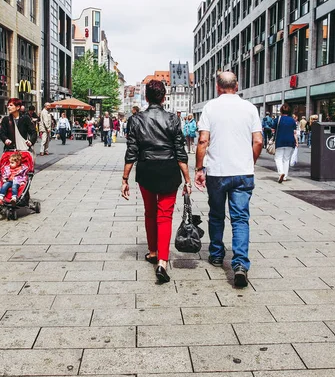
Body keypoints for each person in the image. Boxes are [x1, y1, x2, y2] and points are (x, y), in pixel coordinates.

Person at [194, 72, 263, 288]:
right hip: (243, 172)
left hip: (217, 171)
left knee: (216, 215)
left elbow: (203, 140)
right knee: (240, 218)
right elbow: (258, 141)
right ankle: (240, 264)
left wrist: (198, 168)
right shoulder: (250, 108)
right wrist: (248, 161)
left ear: (217, 87)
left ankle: (216, 253)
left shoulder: (210, 107)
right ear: (237, 86)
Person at [122, 79, 191, 284]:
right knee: (165, 215)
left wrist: (125, 178)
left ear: (146, 97)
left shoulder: (136, 119)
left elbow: (131, 151)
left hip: (146, 170)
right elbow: (180, 150)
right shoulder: (172, 119)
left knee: (150, 212)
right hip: (169, 170)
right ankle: (162, 261)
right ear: (164, 98)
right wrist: (187, 178)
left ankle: (152, 251)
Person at [273, 103, 299, 183]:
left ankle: (281, 173)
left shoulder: (278, 119)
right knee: (286, 159)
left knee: (278, 158)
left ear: (281, 110)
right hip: (290, 141)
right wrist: (297, 142)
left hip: (280, 141)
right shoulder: (292, 120)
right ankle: (285, 176)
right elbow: (295, 132)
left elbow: (273, 130)